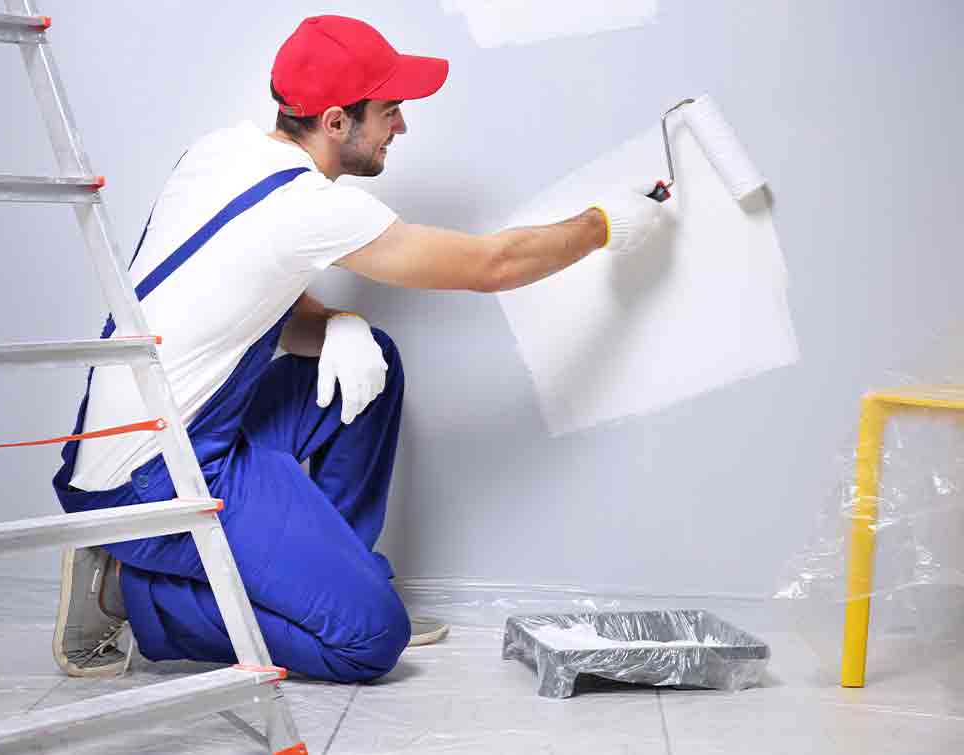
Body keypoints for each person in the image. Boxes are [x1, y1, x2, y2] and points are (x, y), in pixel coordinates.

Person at [50, 14, 663, 682]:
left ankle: (336, 578)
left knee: (373, 361)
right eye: (390, 110)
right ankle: (131, 593)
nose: (402, 126)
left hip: (150, 440)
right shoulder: (310, 206)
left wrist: (336, 322)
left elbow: (239, 285)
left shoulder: (216, 153)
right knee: (369, 639)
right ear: (337, 121)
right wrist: (604, 224)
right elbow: (493, 266)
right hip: (152, 483)